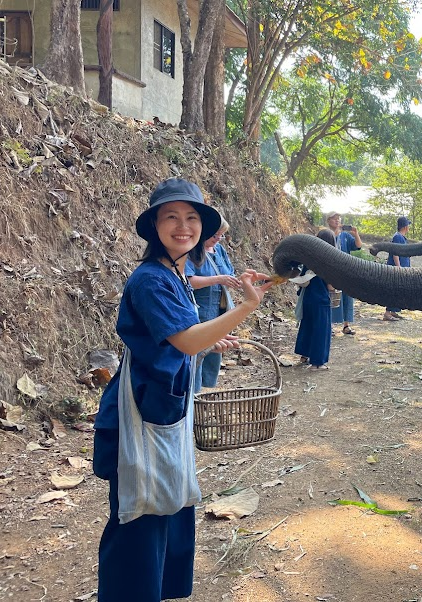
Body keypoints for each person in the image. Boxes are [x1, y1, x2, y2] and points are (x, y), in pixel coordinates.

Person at [92, 178, 273, 601]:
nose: (183, 226)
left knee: (167, 505)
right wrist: (245, 307)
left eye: (192, 218)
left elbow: (179, 336)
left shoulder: (176, 272)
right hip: (140, 409)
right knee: (140, 518)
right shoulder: (149, 280)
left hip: (164, 406)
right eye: (171, 217)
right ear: (154, 226)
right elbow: (186, 341)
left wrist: (211, 339)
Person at [186, 216, 241, 392]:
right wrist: (218, 279)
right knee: (198, 351)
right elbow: (188, 280)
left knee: (214, 349)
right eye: (215, 234)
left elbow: (230, 273)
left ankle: (205, 390)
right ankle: (193, 392)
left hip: (219, 310)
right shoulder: (191, 251)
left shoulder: (220, 251)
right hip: (200, 310)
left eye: (221, 235)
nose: (218, 239)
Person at [294, 228, 337, 369]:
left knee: (307, 326)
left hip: (307, 298)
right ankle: (317, 362)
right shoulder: (330, 261)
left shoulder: (309, 258)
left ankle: (304, 355)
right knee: (321, 330)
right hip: (321, 299)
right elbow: (331, 286)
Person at [325, 211, 362, 335]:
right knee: (332, 298)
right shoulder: (326, 235)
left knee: (347, 298)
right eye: (334, 218)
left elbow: (358, 246)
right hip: (331, 271)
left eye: (338, 218)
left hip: (346, 270)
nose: (337, 220)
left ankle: (346, 326)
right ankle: (329, 326)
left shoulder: (345, 235)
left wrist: (356, 234)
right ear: (328, 221)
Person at [383, 216, 411, 321]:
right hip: (396, 269)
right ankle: (387, 312)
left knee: (399, 290)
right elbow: (395, 252)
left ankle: (394, 311)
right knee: (393, 290)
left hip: (402, 267)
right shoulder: (397, 237)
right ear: (405, 226)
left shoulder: (401, 237)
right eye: (408, 225)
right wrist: (398, 266)